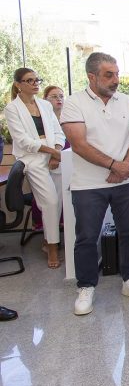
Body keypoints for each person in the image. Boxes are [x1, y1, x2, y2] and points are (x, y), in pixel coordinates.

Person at [61, 52, 129, 316]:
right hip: (88, 185)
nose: (116, 80)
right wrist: (114, 165)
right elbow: (79, 144)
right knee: (87, 237)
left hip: (126, 180)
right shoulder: (74, 103)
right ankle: (86, 287)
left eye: (117, 74)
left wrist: (123, 168)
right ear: (92, 76)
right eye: (109, 75)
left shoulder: (127, 101)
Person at [5, 69, 65, 269]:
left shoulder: (45, 105)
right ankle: (53, 247)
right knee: (50, 201)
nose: (35, 83)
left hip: (54, 156)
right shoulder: (12, 109)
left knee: (58, 201)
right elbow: (22, 140)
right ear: (18, 85)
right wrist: (51, 151)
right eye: (29, 80)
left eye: (36, 79)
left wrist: (56, 152)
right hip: (32, 158)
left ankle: (48, 241)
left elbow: (58, 131)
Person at [31, 85, 68, 240]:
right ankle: (50, 239)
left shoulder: (69, 119)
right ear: (45, 100)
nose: (59, 99)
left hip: (67, 167)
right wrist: (54, 156)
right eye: (54, 96)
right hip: (44, 166)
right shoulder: (39, 120)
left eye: (61, 96)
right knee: (51, 200)